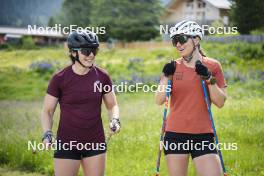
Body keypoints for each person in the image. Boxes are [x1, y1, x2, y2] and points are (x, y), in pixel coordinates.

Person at [40, 30, 121, 176]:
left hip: (95, 142)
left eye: (94, 50)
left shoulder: (102, 76)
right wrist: (47, 133)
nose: (91, 55)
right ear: (73, 52)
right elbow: (48, 111)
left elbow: (112, 105)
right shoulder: (59, 78)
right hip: (67, 144)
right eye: (86, 51)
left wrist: (115, 119)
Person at [155, 20, 227, 176]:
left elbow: (220, 102)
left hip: (203, 134)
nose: (178, 45)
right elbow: (159, 99)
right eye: (175, 41)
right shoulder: (173, 66)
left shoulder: (213, 66)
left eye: (181, 39)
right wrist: (167, 77)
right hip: (175, 135)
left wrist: (208, 78)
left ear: (196, 39)